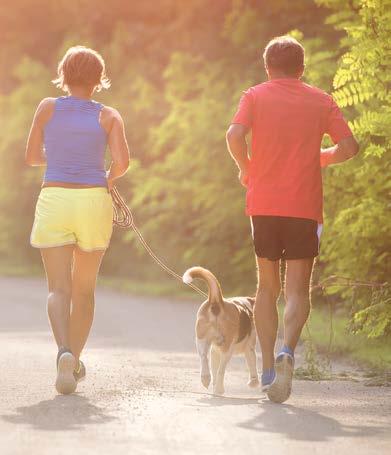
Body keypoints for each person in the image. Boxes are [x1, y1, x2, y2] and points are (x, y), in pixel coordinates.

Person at [226, 36, 358, 403]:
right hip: (304, 206)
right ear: (302, 68)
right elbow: (350, 146)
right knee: (298, 289)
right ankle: (287, 352)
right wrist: (321, 157)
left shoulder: (254, 95)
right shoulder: (322, 101)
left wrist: (246, 168)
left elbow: (234, 134)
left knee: (267, 287)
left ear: (267, 66)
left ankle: (268, 367)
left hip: (264, 204)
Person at [26, 46, 130, 394]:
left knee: (58, 288)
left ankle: (64, 352)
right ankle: (75, 360)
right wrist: (106, 177)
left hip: (54, 197)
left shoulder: (47, 107)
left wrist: (58, 158)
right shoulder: (109, 115)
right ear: (99, 79)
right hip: (92, 200)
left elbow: (30, 157)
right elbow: (121, 163)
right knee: (84, 291)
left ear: (63, 74)